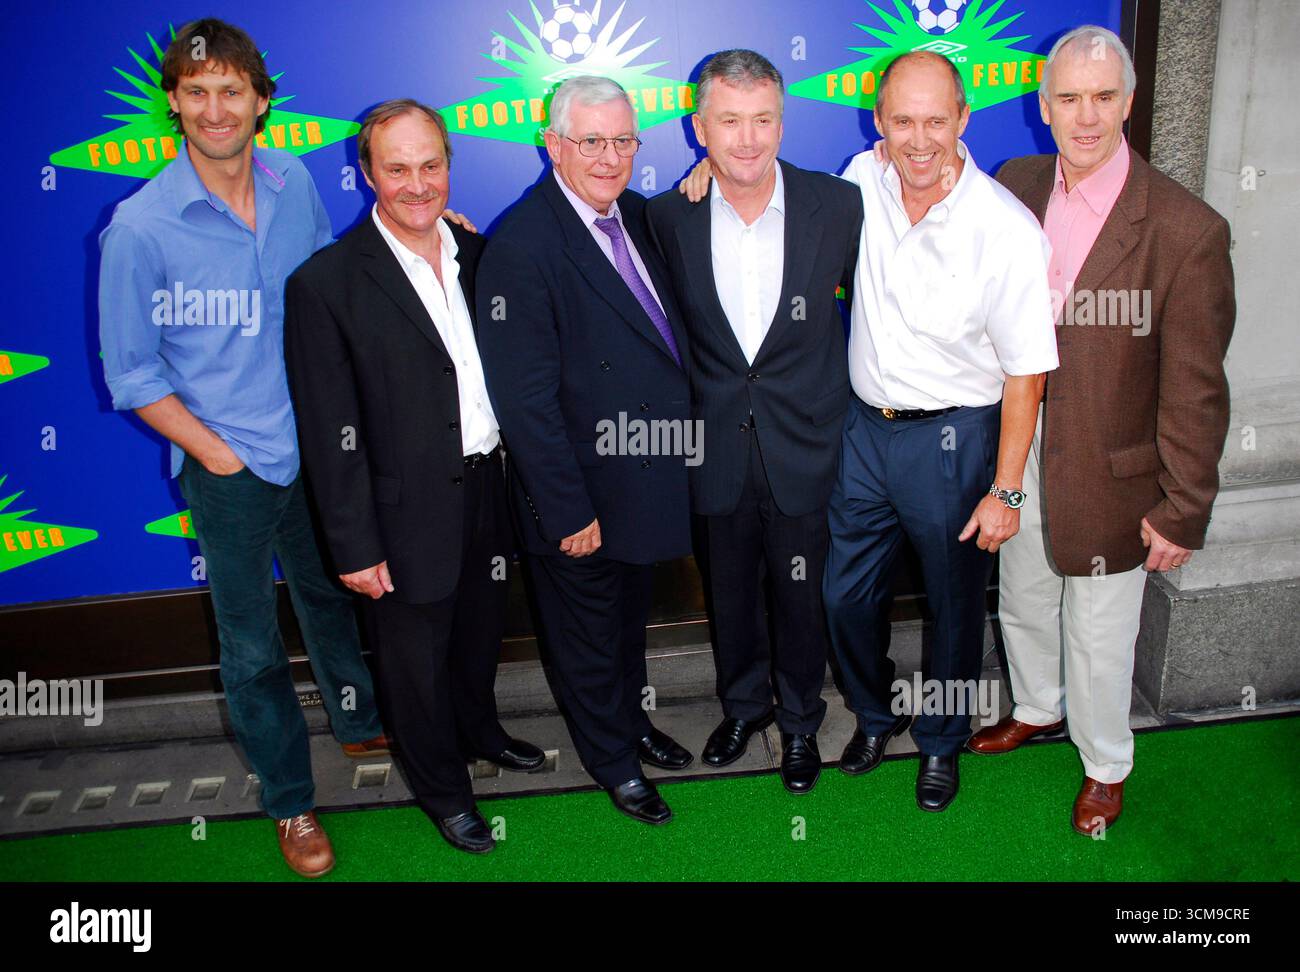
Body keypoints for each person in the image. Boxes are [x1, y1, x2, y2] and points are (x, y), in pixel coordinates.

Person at [97, 18, 387, 878]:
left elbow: (332, 283)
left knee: (331, 595)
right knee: (253, 645)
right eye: (196, 93)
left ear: (262, 101)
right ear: (174, 104)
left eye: (232, 91)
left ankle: (357, 712)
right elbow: (132, 374)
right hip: (229, 469)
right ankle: (292, 805)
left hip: (316, 449)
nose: (214, 109)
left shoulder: (293, 179)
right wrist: (217, 453)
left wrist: (434, 232)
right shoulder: (140, 227)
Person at [968, 26, 1235, 835]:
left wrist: (1184, 506)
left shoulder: (1187, 231)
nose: (1087, 117)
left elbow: (1196, 390)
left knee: (1100, 630)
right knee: (1022, 595)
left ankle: (1105, 762)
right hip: (1015, 443)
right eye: (1069, 98)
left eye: (1104, 96)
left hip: (1114, 468)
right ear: (1042, 106)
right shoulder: (1013, 181)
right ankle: (1039, 709)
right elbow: (911, 184)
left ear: (1129, 100)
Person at [284, 100, 546, 855]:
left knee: (477, 635)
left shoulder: (476, 254)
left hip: (489, 486)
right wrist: (355, 545)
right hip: (399, 511)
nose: (417, 183)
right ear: (366, 173)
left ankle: (482, 732)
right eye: (397, 168)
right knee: (413, 663)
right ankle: (441, 789)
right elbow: (329, 435)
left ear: (448, 167)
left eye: (431, 165)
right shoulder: (325, 284)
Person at [822, 51, 1059, 812]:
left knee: (954, 608)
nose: (917, 140)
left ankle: (942, 740)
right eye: (901, 121)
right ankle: (875, 713)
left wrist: (1006, 489)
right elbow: (776, 212)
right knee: (843, 598)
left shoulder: (1007, 229)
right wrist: (709, 181)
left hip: (955, 442)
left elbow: (1027, 374)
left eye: (935, 121)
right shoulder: (860, 180)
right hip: (864, 434)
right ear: (878, 122)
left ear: (963, 120)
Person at [476, 76, 695, 825]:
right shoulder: (522, 245)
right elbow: (524, 401)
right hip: (578, 497)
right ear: (553, 144)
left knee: (625, 626)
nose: (610, 157)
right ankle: (612, 763)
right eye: (590, 141)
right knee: (586, 642)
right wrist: (566, 508)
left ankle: (632, 726)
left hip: (642, 481)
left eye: (623, 140)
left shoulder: (632, 213)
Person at [645, 50, 862, 793]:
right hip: (714, 449)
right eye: (729, 121)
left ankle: (801, 723)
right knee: (729, 591)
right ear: (697, 125)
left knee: (800, 594)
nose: (747, 139)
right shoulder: (668, 216)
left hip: (806, 444)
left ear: (782, 119)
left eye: (763, 119)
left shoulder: (838, 204)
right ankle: (744, 707)